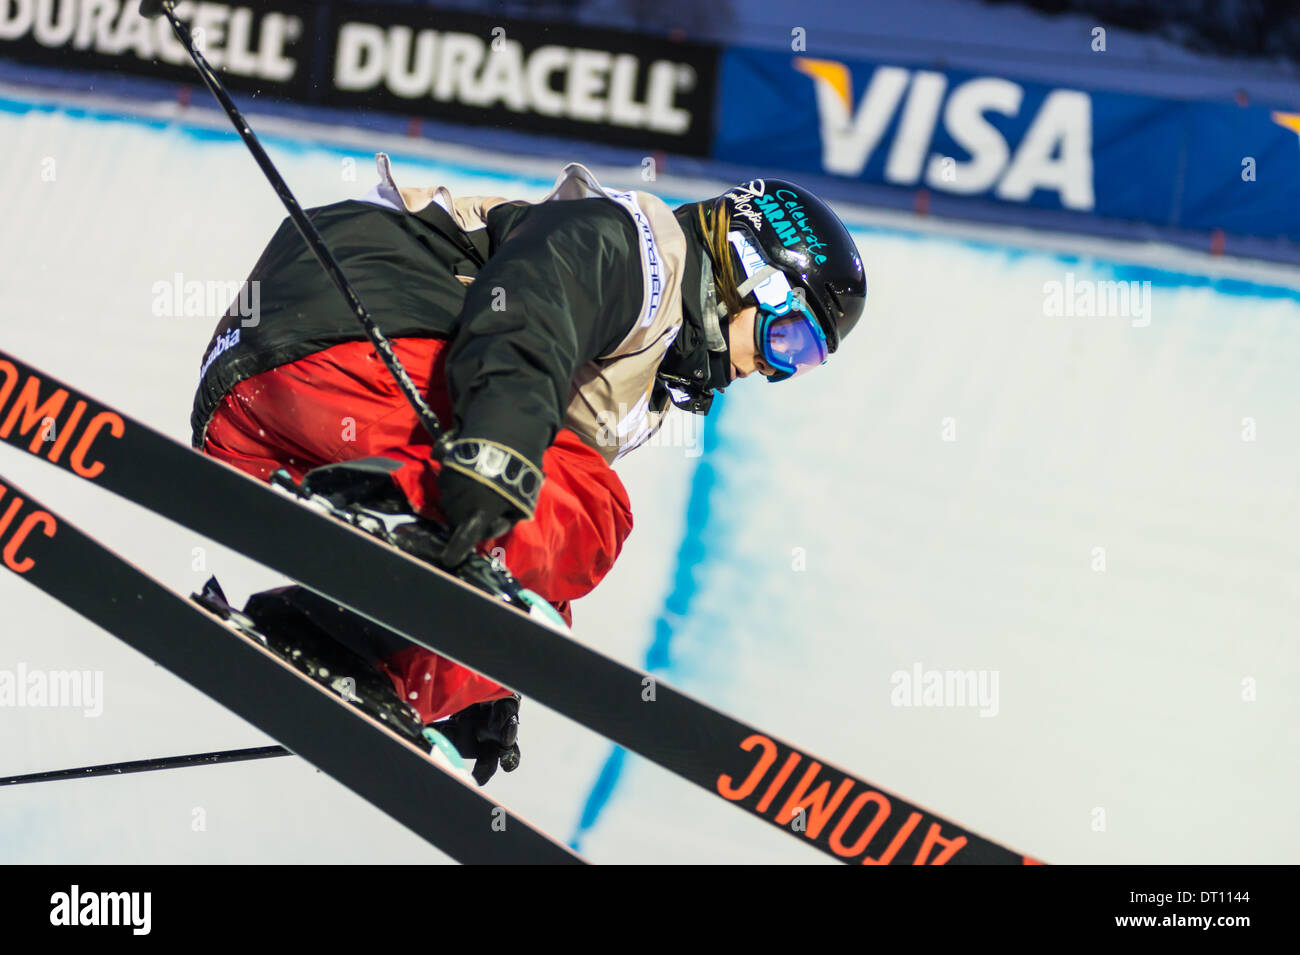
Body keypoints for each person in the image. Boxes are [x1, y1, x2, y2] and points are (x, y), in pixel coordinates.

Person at [190, 155, 866, 781]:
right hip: (347, 333)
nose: (773, 369)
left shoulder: (648, 367)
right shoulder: (639, 248)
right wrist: (497, 451)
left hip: (261, 421)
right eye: (790, 338)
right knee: (595, 506)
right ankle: (391, 531)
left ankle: (339, 643)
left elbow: (534, 539)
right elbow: (530, 306)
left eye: (802, 363)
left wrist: (494, 663)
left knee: (540, 595)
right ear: (750, 266)